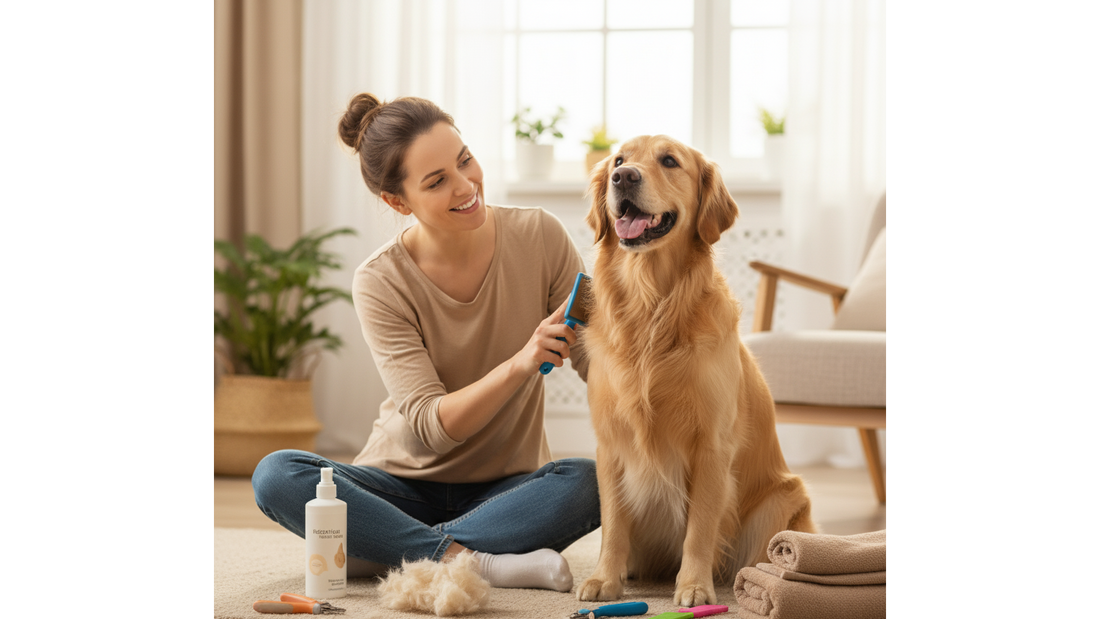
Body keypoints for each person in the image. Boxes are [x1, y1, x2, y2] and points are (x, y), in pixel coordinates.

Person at [252, 93, 600, 592]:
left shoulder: (541, 234)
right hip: (397, 485)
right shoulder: (379, 280)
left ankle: (387, 550)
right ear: (398, 201)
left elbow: (596, 355)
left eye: (465, 161)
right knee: (277, 474)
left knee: (590, 481)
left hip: (506, 490)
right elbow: (429, 430)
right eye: (437, 182)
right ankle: (477, 561)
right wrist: (521, 363)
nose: (466, 186)